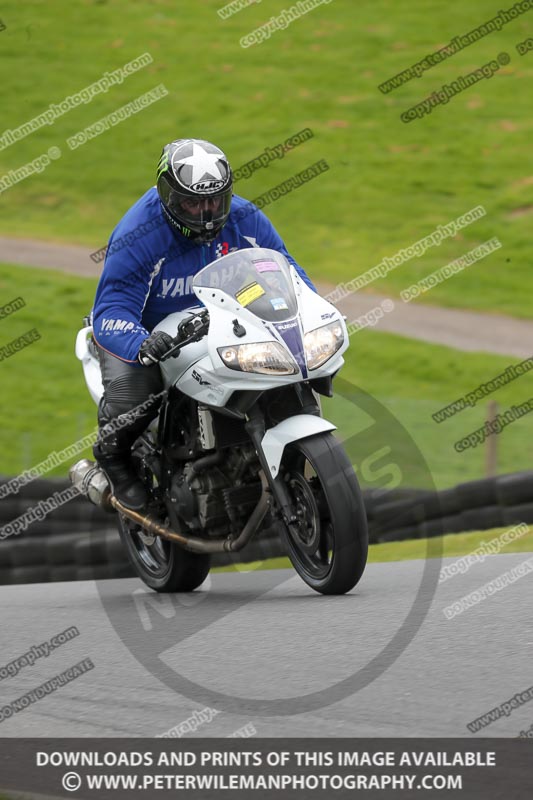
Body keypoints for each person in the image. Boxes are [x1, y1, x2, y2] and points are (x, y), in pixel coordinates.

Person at [91, 138, 317, 510]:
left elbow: (286, 270)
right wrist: (140, 344)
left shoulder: (245, 218)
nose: (206, 213)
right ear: (168, 197)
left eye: (214, 201)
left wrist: (311, 310)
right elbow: (112, 307)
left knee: (291, 365)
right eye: (192, 203)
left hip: (224, 325)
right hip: (153, 334)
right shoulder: (138, 234)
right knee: (136, 394)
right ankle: (113, 460)